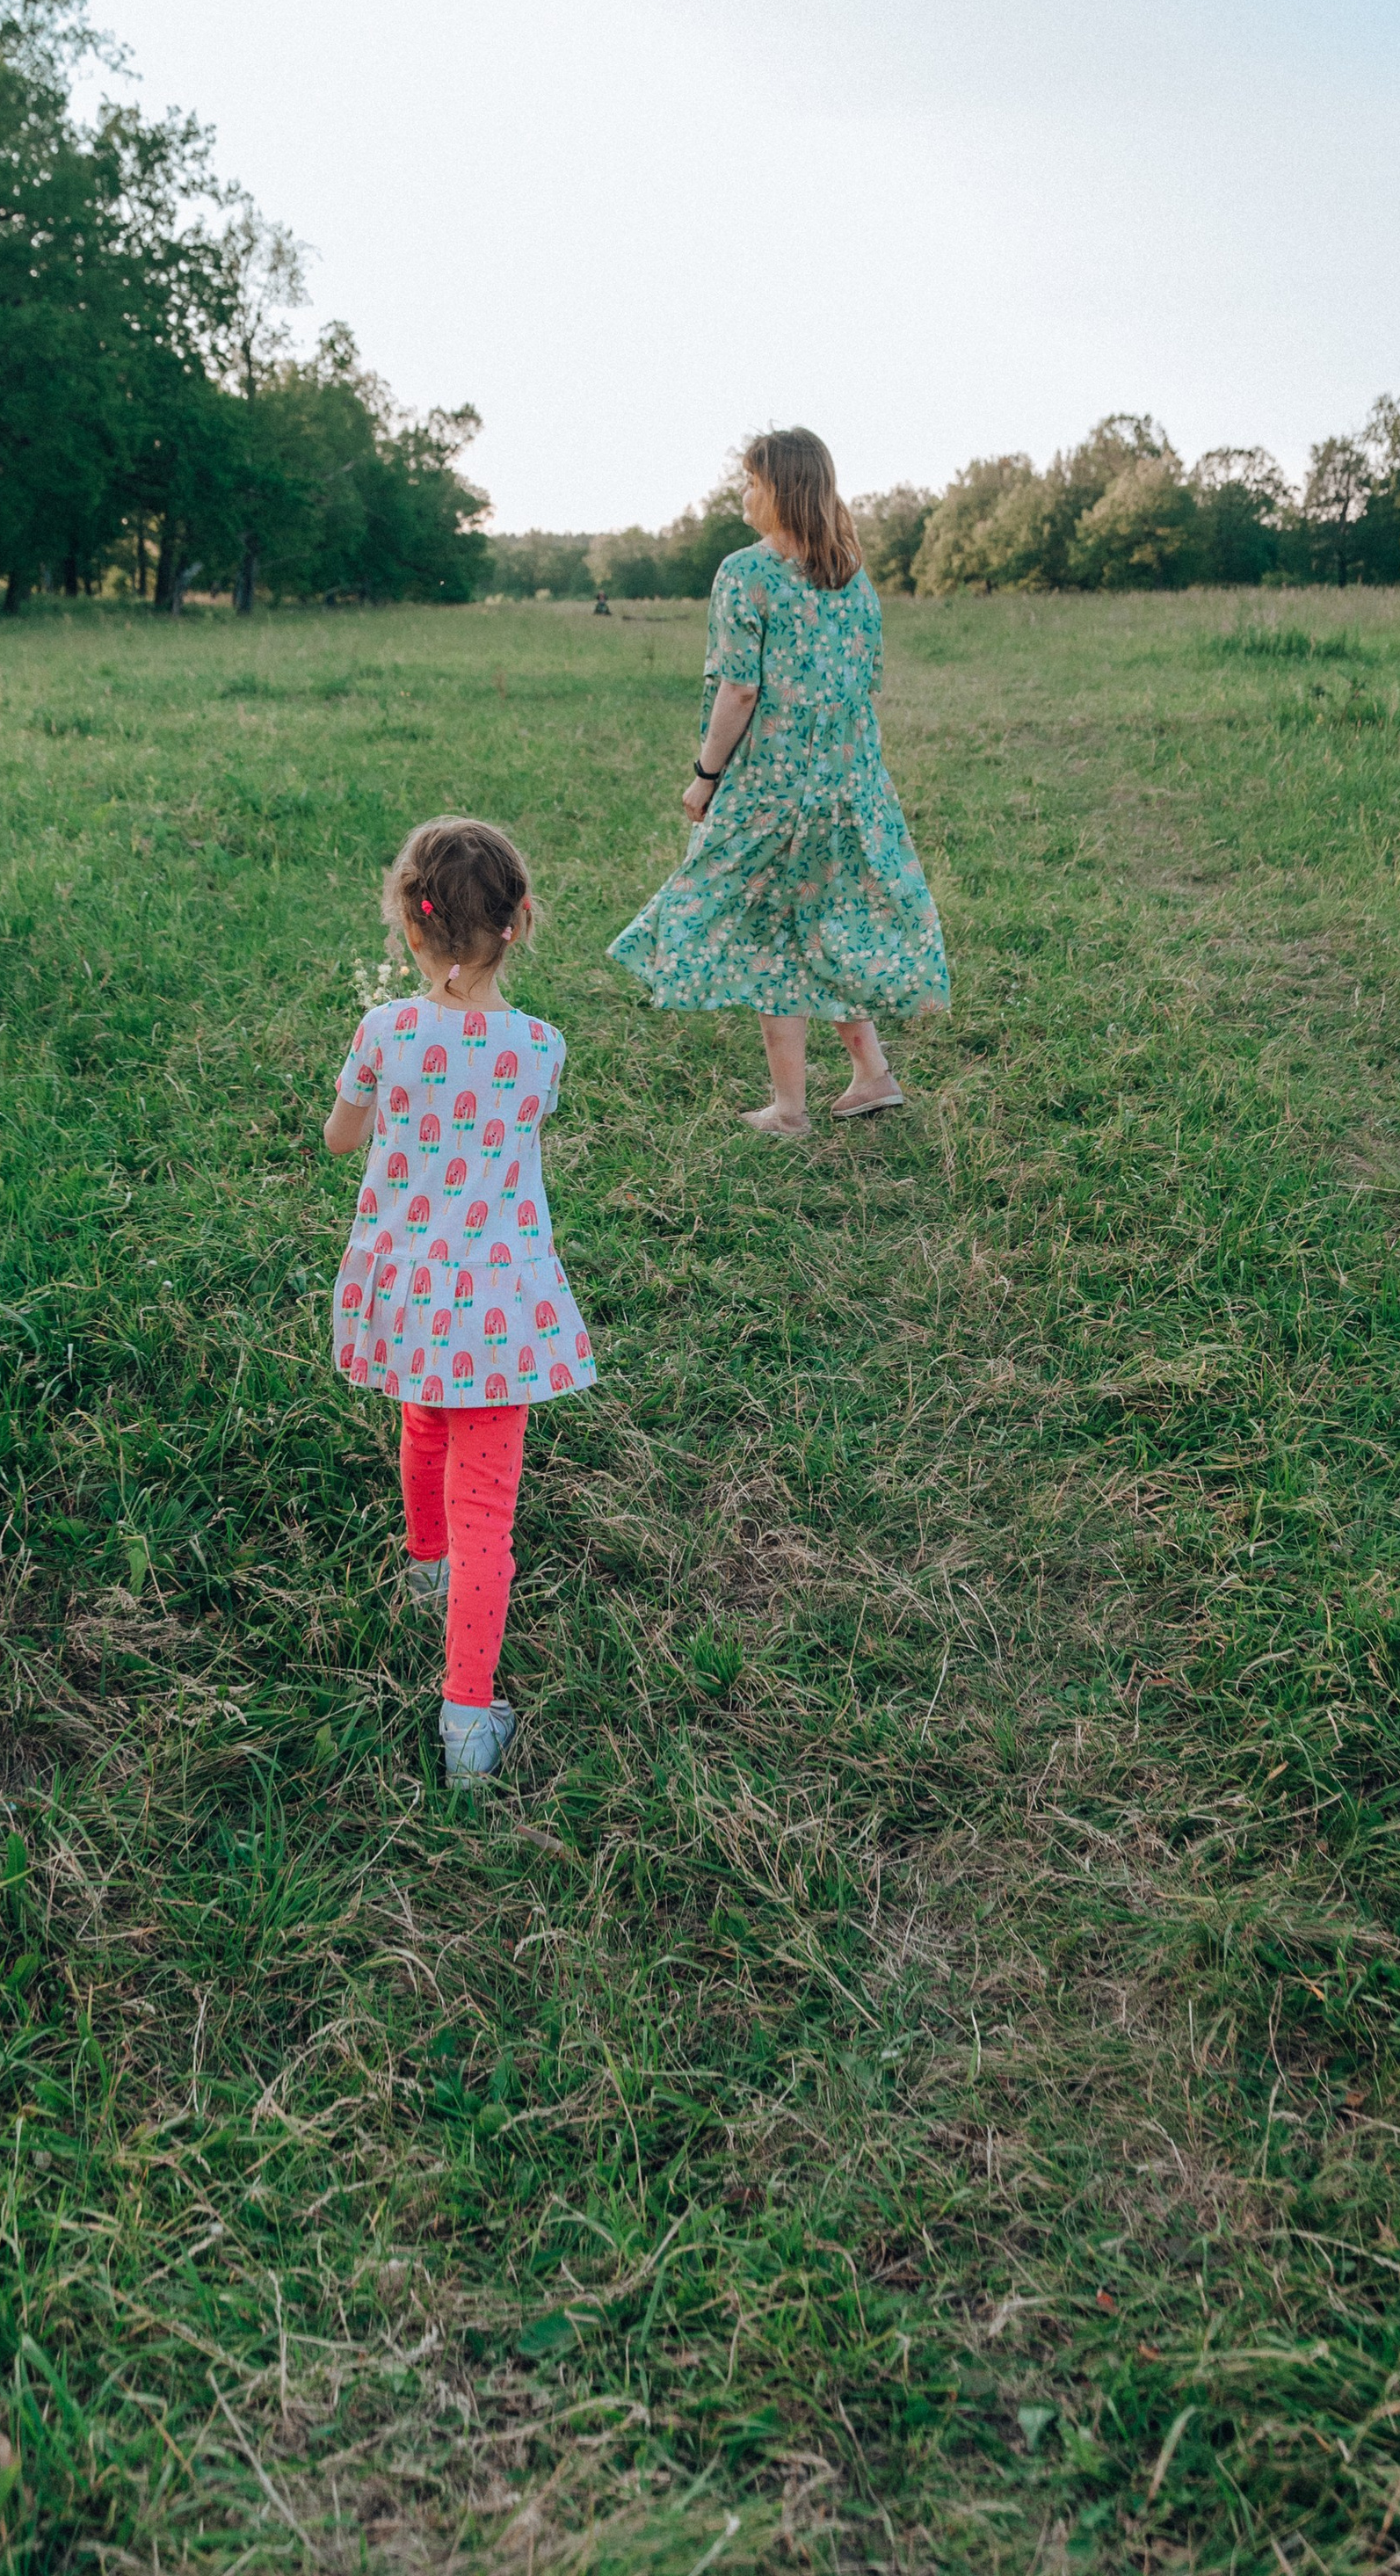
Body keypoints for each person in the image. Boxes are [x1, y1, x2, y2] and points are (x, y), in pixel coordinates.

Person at [323, 816, 597, 1787]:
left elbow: (338, 1138)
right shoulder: (540, 1046)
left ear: (410, 923)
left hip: (409, 1292)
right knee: (492, 1506)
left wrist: (371, 1095)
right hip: (501, 1306)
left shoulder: (384, 1030)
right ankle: (468, 1721)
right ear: (521, 919)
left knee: (421, 1416)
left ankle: (422, 1564)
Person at [608, 425, 949, 1134]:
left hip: (771, 787)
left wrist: (706, 774)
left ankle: (791, 1109)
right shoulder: (852, 575)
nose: (744, 492)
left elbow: (740, 691)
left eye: (753, 480)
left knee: (767, 931)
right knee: (824, 924)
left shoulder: (746, 573)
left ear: (782, 491)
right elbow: (864, 688)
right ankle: (871, 1074)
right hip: (849, 787)